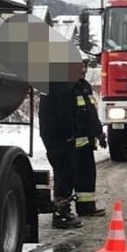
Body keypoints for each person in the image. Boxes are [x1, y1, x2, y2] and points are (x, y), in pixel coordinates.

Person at [38, 82, 82, 229]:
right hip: (61, 136)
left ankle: (61, 210)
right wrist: (70, 133)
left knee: (60, 170)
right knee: (65, 172)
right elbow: (65, 113)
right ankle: (62, 213)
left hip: (50, 133)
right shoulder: (63, 86)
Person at [73, 58, 107, 217]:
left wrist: (99, 133)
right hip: (74, 141)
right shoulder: (68, 88)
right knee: (73, 175)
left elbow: (92, 114)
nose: (84, 70)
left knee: (87, 174)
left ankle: (86, 207)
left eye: (85, 66)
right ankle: (64, 210)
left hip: (87, 140)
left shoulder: (84, 87)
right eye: (81, 67)